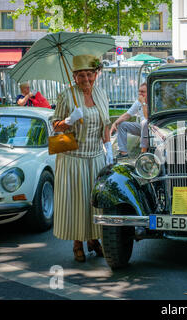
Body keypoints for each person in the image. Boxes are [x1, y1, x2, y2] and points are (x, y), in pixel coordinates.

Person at [51, 54, 113, 262]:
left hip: (95, 157)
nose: (86, 79)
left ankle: (93, 239)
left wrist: (109, 151)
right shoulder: (66, 96)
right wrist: (69, 120)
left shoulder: (102, 94)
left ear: (96, 74)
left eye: (90, 74)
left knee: (94, 202)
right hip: (72, 158)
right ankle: (77, 244)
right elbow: (55, 126)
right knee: (77, 202)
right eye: (81, 75)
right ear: (74, 76)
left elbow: (106, 124)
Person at [110, 82, 149, 157]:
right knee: (122, 124)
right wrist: (115, 123)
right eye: (139, 91)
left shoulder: (153, 101)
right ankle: (123, 153)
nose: (140, 94)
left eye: (143, 92)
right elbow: (127, 115)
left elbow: (147, 117)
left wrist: (143, 103)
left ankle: (143, 152)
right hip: (141, 128)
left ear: (149, 92)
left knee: (145, 122)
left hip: (152, 128)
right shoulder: (138, 102)